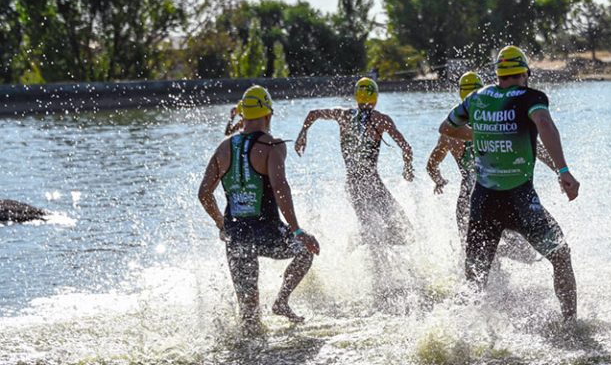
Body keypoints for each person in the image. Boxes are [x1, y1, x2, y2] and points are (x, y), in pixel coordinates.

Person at [438, 46, 580, 322]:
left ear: (499, 74)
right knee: (561, 256)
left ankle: (460, 335)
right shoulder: (531, 98)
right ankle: (570, 325)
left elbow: (446, 127)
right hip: (521, 202)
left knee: (475, 277)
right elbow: (544, 125)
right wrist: (564, 171)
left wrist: (479, 134)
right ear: (526, 73)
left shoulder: (476, 98)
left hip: (482, 203)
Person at [198, 85, 320, 333]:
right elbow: (280, 188)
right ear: (268, 114)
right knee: (306, 250)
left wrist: (222, 225)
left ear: (242, 115)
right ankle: (281, 301)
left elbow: (204, 194)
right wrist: (297, 230)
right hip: (268, 232)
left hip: (237, 236)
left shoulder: (223, 147)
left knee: (249, 317)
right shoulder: (273, 145)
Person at [294, 77, 414, 304]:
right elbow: (406, 147)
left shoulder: (343, 115)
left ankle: (362, 241)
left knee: (382, 234)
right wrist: (407, 169)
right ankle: (380, 281)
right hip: (372, 184)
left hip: (354, 186)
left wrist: (303, 134)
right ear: (375, 98)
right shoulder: (381, 120)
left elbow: (313, 113)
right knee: (404, 233)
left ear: (357, 96)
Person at [427, 72, 554, 262]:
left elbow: (431, 165)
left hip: (468, 200)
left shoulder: (449, 135)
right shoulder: (497, 123)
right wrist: (559, 171)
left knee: (475, 262)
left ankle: (491, 260)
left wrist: (438, 180)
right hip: (500, 194)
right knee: (526, 254)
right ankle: (497, 254)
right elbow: (538, 148)